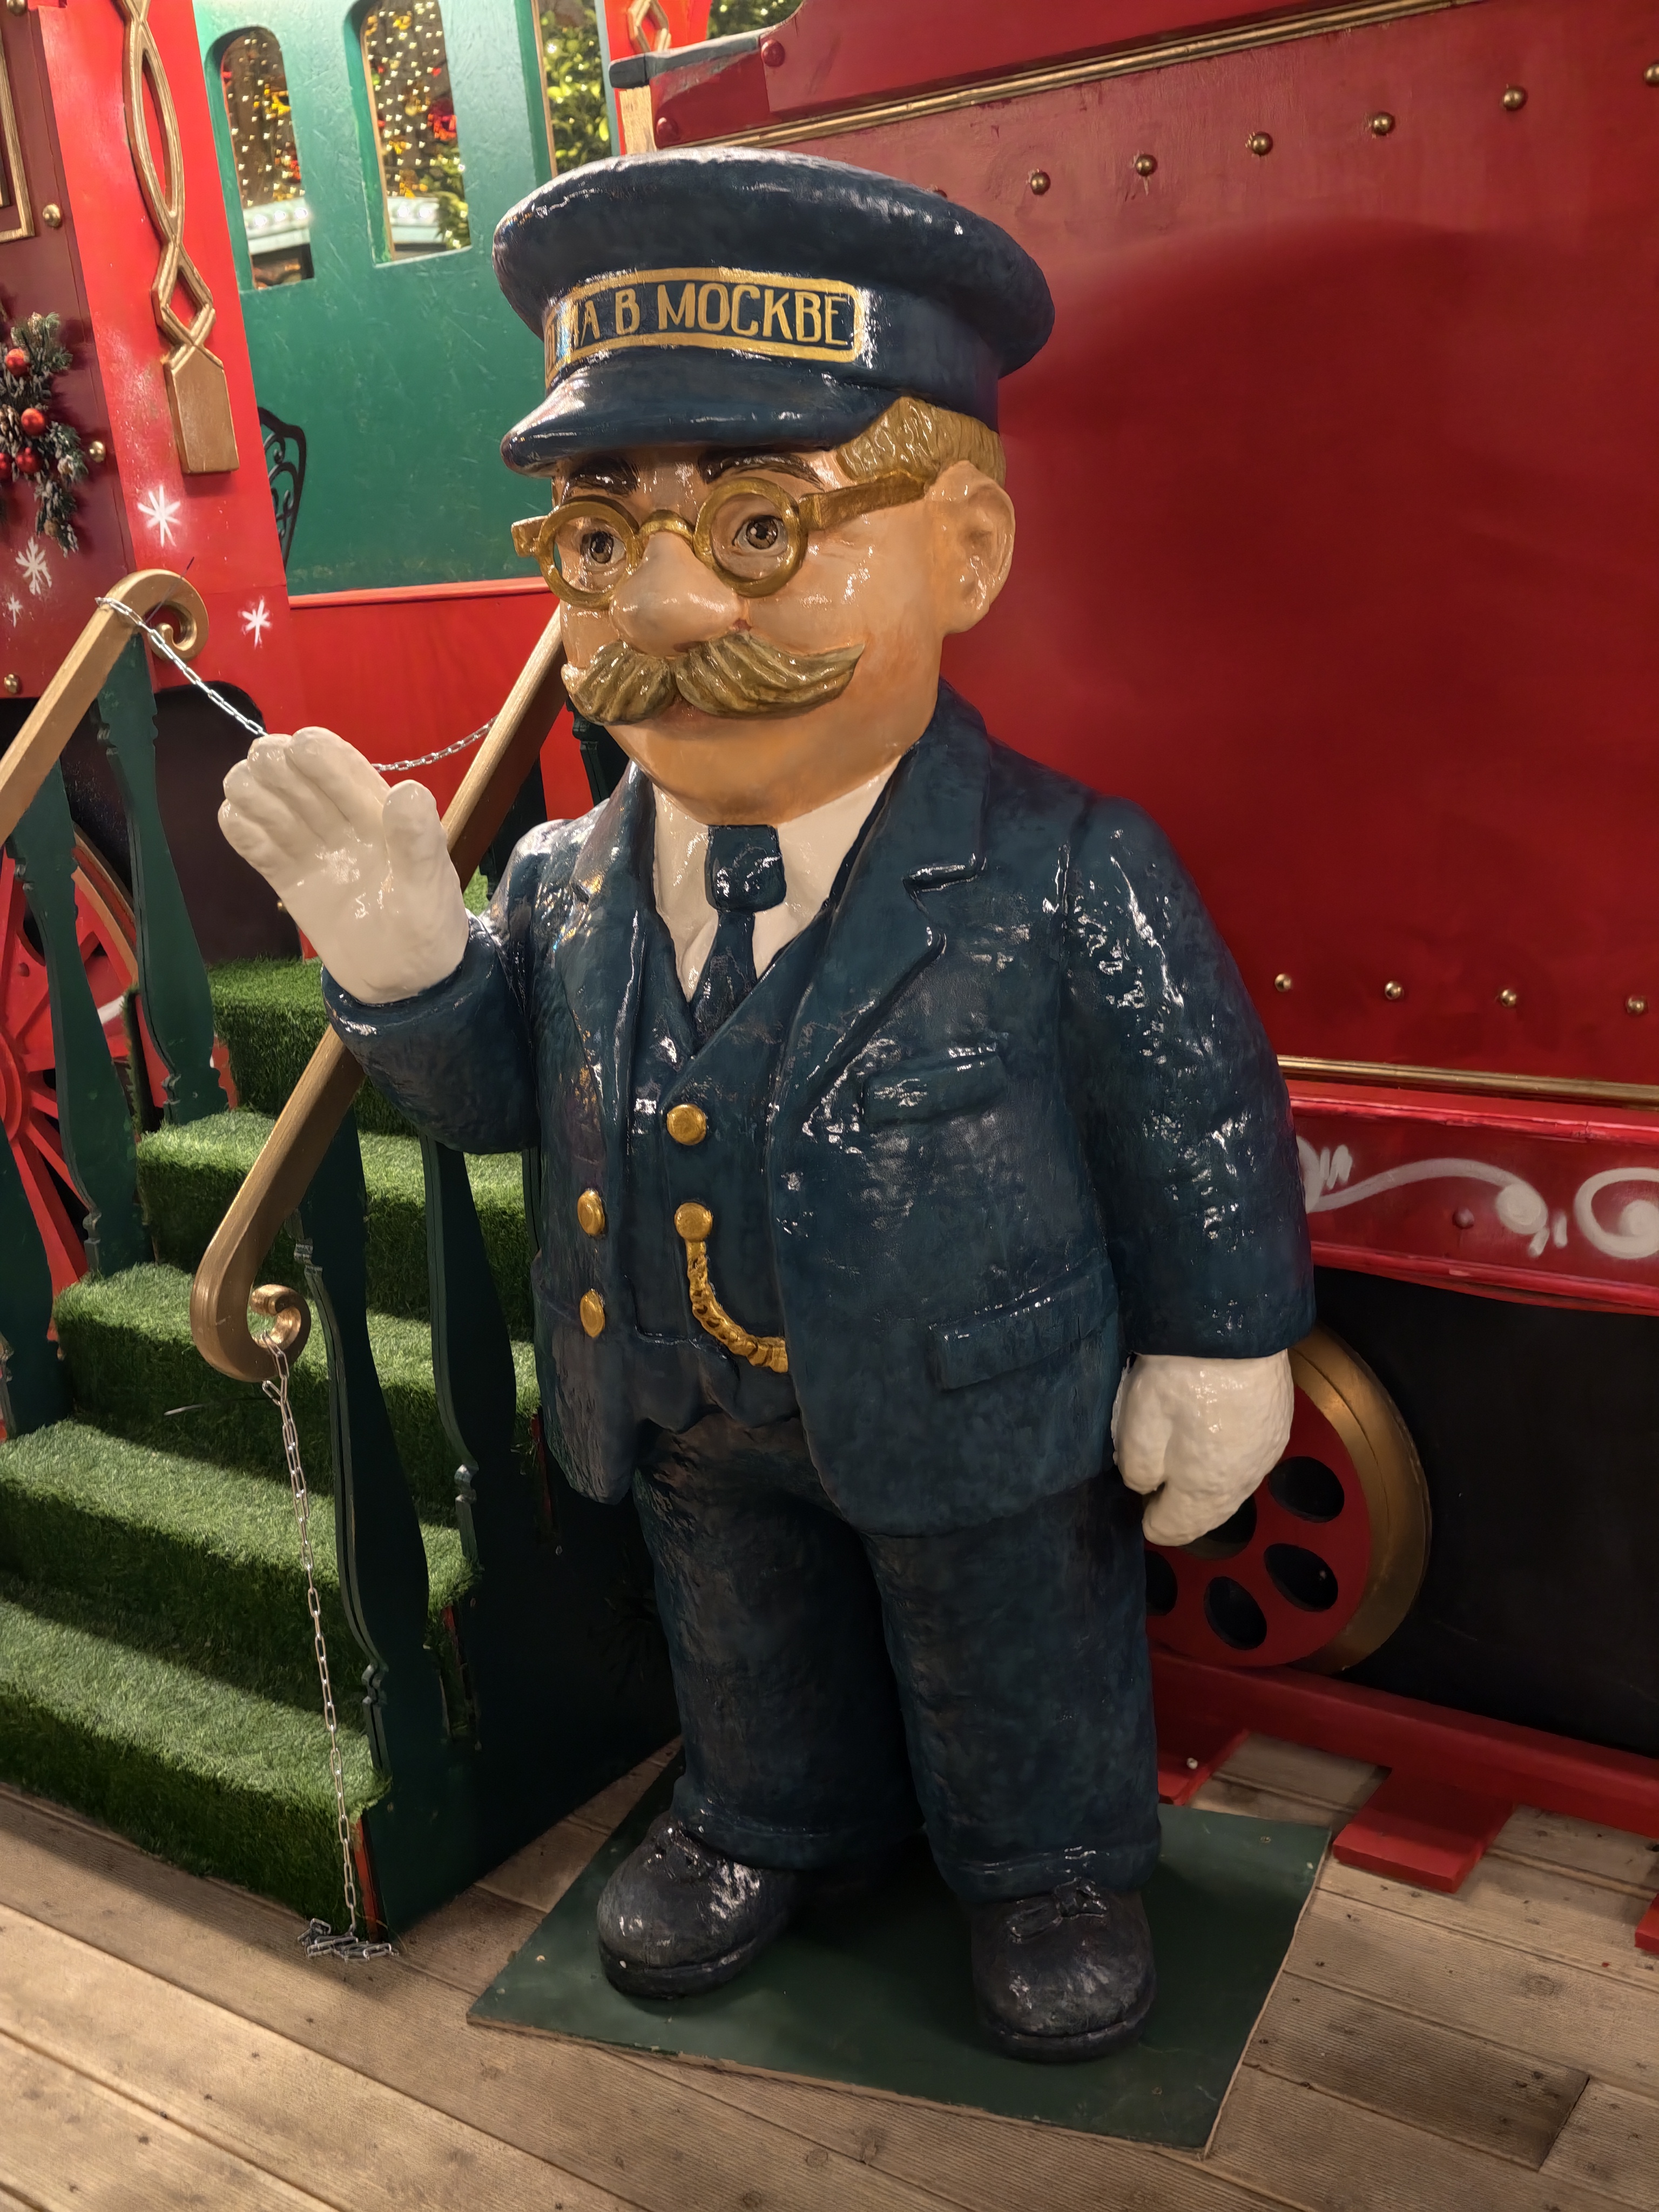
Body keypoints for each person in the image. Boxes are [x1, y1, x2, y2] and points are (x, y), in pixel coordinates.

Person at [220, 148, 1313, 2063]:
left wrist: (1225, 1342)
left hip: (974, 1399)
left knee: (1010, 1637)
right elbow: (500, 1105)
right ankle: (765, 1817)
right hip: (681, 1394)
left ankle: (1048, 1864)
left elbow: (1197, 1115)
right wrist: (401, 963)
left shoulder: (1067, 872)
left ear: (965, 552)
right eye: (598, 537)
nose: (657, 604)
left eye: (754, 526)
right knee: (738, 1624)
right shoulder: (561, 883)